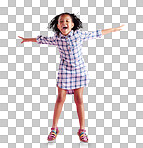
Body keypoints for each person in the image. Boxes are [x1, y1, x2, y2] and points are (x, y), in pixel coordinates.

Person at [18, 12, 124, 143]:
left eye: (67, 21)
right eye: (61, 21)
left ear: (72, 25)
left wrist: (114, 29)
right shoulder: (57, 38)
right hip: (65, 70)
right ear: (57, 25)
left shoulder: (78, 35)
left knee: (79, 99)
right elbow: (41, 40)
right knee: (60, 98)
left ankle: (82, 129)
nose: (64, 23)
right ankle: (54, 128)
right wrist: (27, 39)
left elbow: (97, 33)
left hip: (79, 70)